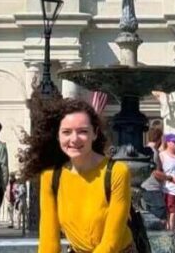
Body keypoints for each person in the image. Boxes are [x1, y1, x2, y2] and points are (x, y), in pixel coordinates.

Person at [29, 98, 133, 253]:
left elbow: (111, 242)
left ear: (95, 134)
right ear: (58, 136)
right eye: (66, 132)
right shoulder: (50, 177)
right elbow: (48, 241)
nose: (74, 139)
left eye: (83, 131)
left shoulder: (117, 172)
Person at [138, 123, 167, 224]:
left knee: (149, 215)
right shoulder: (154, 152)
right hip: (153, 188)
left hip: (144, 187)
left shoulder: (145, 150)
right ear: (159, 139)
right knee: (160, 213)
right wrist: (169, 178)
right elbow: (155, 172)